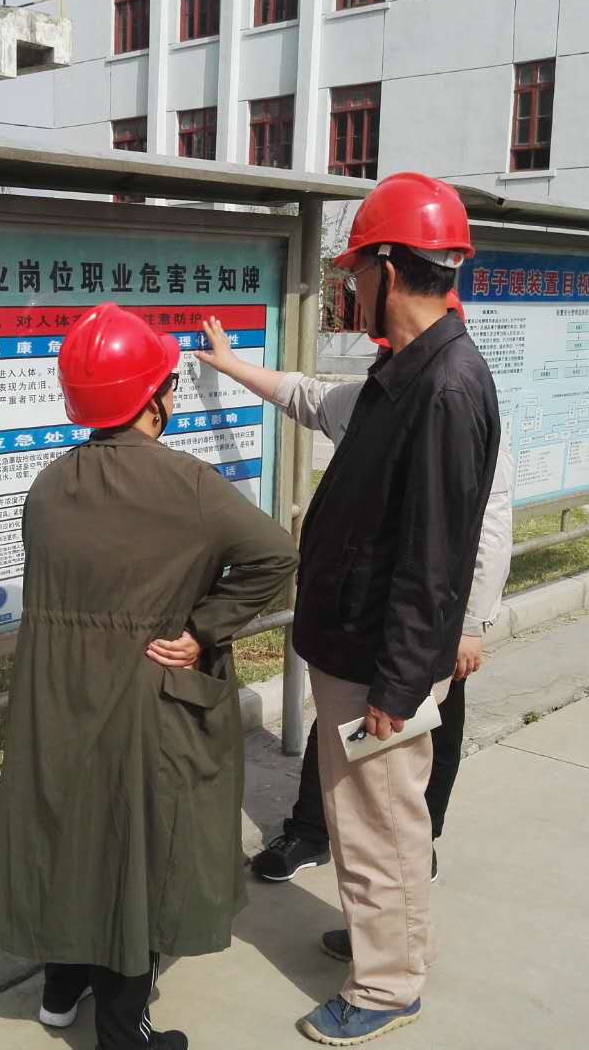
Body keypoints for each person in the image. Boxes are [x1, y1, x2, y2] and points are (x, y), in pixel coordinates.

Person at [214, 173, 499, 1044]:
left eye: (355, 271)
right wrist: (232, 365)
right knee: (363, 818)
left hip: (382, 665)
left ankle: (386, 986)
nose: (349, 287)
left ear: (387, 268)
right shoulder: (401, 374)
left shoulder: (445, 387)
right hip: (358, 648)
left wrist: (398, 686)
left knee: (381, 824)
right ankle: (386, 942)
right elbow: (312, 402)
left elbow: (435, 558)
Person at [0, 303, 299, 1050]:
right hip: (147, 697)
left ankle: (60, 992)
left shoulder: (50, 484)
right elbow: (276, 556)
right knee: (135, 849)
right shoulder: (189, 485)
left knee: (73, 833)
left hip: (58, 696)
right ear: (154, 398)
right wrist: (202, 629)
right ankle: (124, 1031)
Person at [238, 292, 514, 889]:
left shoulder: (450, 400)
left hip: (429, 625)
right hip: (369, 620)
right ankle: (316, 831)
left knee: (427, 735)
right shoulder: (375, 398)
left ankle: (416, 846)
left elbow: (485, 526)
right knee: (343, 732)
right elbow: (306, 396)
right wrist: (230, 363)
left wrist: (472, 623)